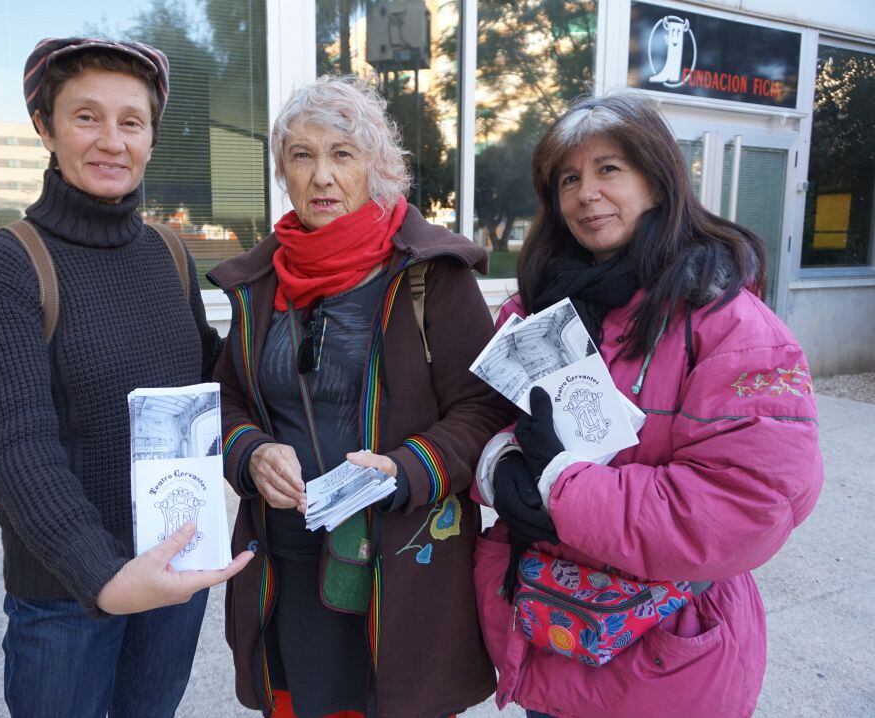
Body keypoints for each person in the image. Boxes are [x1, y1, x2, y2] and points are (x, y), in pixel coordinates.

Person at [473, 92, 823, 717]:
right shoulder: (533, 312)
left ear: (657, 182)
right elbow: (486, 419)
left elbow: (747, 505)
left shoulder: (732, 327)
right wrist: (498, 466)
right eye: (569, 178)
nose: (586, 194)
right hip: (549, 629)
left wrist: (561, 487)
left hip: (664, 659)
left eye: (609, 169)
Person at [0, 37, 251, 717]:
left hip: (173, 571)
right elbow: (17, 448)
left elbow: (207, 383)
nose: (111, 141)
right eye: (86, 117)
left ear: (150, 136)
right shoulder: (6, 269)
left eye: (131, 121)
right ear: (45, 127)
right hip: (66, 594)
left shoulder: (168, 253)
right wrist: (105, 578)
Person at [208, 75, 510, 718]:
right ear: (282, 172)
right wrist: (251, 453)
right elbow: (228, 400)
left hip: (405, 565)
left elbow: (486, 410)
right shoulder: (257, 285)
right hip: (290, 565)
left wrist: (405, 468)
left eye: (342, 154)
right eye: (302, 155)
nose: (322, 176)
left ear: (375, 166)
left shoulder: (432, 274)